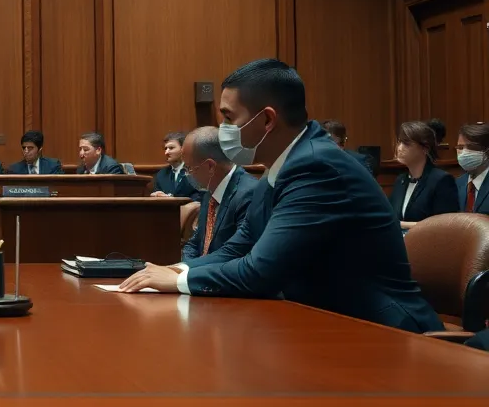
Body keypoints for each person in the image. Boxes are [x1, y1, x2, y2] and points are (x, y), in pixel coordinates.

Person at [120, 58, 442, 334]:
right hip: (322, 325)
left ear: (268, 120)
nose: (223, 129)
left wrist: (175, 281)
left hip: (382, 333)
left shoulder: (316, 166)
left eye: (229, 117)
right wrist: (177, 270)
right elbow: (238, 247)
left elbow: (260, 270)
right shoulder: (281, 167)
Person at [179, 127, 257, 262]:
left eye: (189, 168)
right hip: (201, 274)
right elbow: (195, 243)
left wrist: (184, 274)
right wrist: (179, 269)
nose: (187, 174)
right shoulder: (210, 191)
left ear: (210, 166)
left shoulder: (249, 194)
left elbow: (234, 254)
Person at [389, 120, 457, 229]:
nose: (399, 148)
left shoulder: (441, 180)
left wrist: (401, 225)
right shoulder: (400, 180)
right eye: (399, 142)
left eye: (406, 144)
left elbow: (445, 224)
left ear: (425, 148)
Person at [150, 131, 200, 199]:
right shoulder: (161, 175)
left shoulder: (196, 170)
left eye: (171, 148)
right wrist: (156, 196)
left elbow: (201, 197)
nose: (166, 152)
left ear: (183, 149)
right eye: (165, 149)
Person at [455, 122, 489, 215]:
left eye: (471, 147)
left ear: (487, 151)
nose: (464, 153)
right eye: (460, 147)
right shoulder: (457, 183)